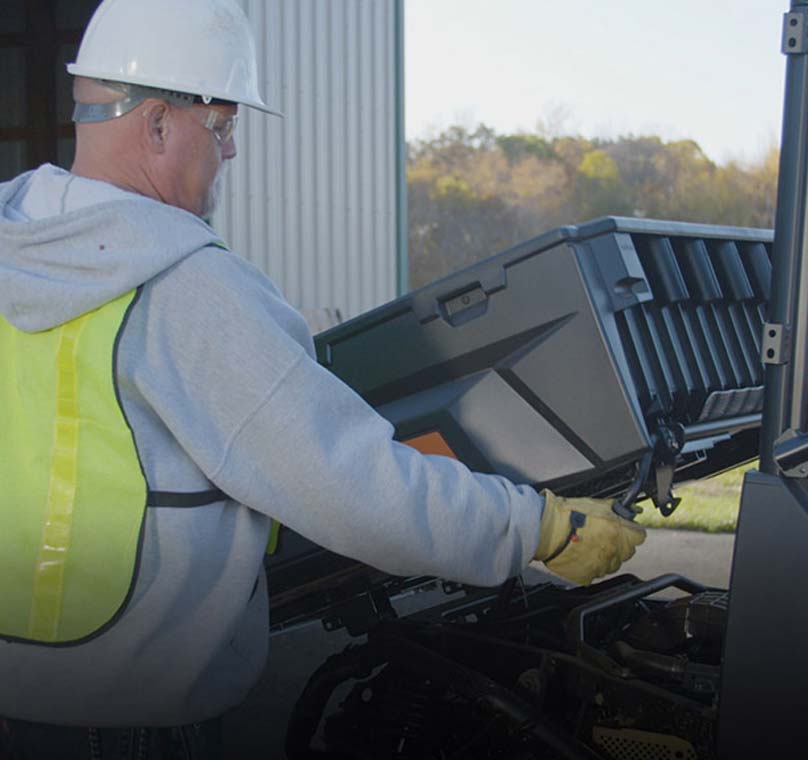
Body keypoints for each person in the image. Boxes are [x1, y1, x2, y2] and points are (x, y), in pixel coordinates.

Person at [0, 0, 647, 757]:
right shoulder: (184, 288)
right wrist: (534, 527)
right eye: (222, 125)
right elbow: (351, 486)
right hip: (122, 729)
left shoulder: (16, 245)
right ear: (157, 124)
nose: (231, 150)